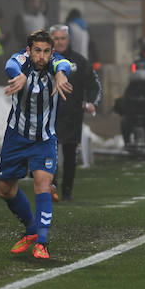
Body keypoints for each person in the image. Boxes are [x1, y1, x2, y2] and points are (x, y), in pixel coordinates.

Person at [0, 30, 72, 260]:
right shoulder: (20, 61)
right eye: (37, 51)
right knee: (4, 190)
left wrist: (60, 74)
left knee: (42, 183)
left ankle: (42, 242)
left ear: (51, 52)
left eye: (46, 51)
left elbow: (65, 65)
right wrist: (17, 76)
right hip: (16, 136)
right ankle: (30, 228)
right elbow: (11, 64)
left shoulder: (56, 63)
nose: (41, 56)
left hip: (44, 139)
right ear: (29, 51)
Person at [49, 24, 102, 202]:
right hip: (49, 116)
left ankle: (67, 192)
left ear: (68, 39)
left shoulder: (79, 61)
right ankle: (51, 188)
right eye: (56, 38)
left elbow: (93, 83)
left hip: (72, 116)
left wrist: (92, 102)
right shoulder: (43, 61)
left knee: (70, 155)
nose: (60, 42)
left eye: (63, 38)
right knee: (50, 154)